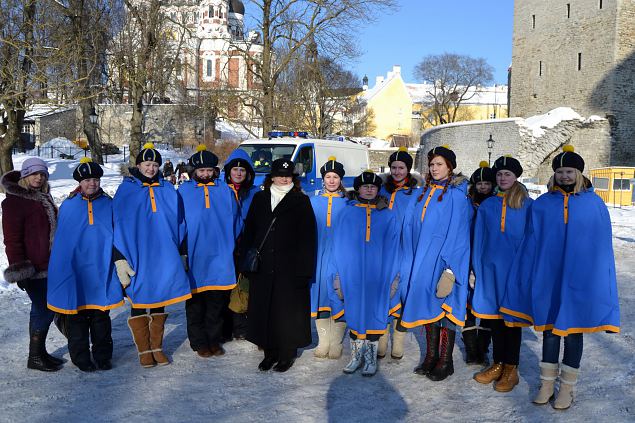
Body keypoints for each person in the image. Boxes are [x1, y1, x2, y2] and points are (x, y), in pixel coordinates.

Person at [501, 145, 620, 410]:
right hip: (549, 278)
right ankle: (546, 384)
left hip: (580, 279)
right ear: (554, 175)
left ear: (579, 173)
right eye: (560, 172)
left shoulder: (593, 203)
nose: (564, 176)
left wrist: (597, 279)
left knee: (573, 332)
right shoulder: (543, 204)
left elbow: (601, 246)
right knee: (550, 333)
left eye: (569, 171)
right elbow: (532, 241)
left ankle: (566, 388)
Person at [113, 143, 192, 368]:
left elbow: (179, 222)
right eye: (147, 164)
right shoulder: (126, 190)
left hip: (164, 254)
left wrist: (181, 253)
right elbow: (117, 225)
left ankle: (157, 347)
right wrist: (119, 257)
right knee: (139, 299)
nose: (151, 168)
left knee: (160, 298)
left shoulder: (167, 190)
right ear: (138, 165)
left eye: (155, 164)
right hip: (138, 254)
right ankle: (143, 350)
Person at [400, 145, 472, 382]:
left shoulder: (457, 196)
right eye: (431, 164)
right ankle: (431, 356)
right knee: (429, 309)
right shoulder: (424, 192)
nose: (434, 168)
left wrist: (451, 271)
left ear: (450, 166)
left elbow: (460, 236)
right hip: (423, 262)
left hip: (444, 264)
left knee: (445, 312)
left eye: (439, 164)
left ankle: (446, 360)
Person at [239, 158, 317, 373]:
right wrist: (245, 260)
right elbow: (250, 231)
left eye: (288, 175)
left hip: (290, 269)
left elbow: (308, 239)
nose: (284, 178)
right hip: (263, 266)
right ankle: (269, 352)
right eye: (279, 174)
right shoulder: (260, 198)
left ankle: (286, 353)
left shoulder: (301, 201)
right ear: (271, 176)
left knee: (287, 313)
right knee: (265, 310)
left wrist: (304, 271)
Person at [47, 158, 124, 371]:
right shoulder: (69, 206)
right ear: (79, 182)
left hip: (101, 270)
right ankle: (80, 357)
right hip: (76, 273)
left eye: (96, 179)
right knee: (76, 318)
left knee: (101, 318)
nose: (92, 183)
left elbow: (117, 235)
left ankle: (102, 356)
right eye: (87, 179)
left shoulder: (108, 204)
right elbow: (62, 244)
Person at [328, 170, 400, 376]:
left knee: (376, 314)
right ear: (358, 188)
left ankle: (370, 359)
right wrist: (338, 275)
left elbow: (394, 247)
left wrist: (393, 275)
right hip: (353, 274)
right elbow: (338, 245)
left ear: (378, 189)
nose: (369, 190)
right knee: (355, 313)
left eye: (373, 187)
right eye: (365, 186)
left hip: (378, 275)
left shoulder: (387, 215)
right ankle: (355, 357)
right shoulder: (347, 213)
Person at [471, 156, 532, 393]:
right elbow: (479, 239)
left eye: (507, 174)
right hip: (491, 271)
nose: (503, 178)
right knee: (495, 321)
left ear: (516, 177)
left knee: (512, 322)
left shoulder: (527, 205)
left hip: (515, 272)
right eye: (499, 174)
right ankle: (497, 363)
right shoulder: (488, 206)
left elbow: (531, 240)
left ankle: (511, 368)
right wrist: (477, 268)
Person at [2, 157, 63, 372]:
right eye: (34, 173)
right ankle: (35, 357)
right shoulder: (14, 202)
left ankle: (39, 353)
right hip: (34, 268)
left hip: (49, 264)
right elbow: (12, 239)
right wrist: (20, 268)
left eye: (42, 174)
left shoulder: (42, 197)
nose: (39, 177)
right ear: (24, 175)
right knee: (43, 310)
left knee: (41, 310)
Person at [179, 145, 239, 357]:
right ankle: (199, 342)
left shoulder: (225, 190)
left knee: (217, 303)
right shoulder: (183, 192)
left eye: (209, 170)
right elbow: (178, 224)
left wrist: (234, 246)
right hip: (195, 256)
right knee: (196, 304)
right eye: (201, 171)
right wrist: (181, 251)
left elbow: (236, 221)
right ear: (193, 172)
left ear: (215, 171)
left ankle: (214, 340)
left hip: (221, 255)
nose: (205, 174)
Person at [377, 146, 421, 360]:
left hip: (406, 250)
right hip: (385, 251)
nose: (396, 172)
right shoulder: (381, 190)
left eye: (401, 168)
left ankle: (399, 339)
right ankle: (382, 338)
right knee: (385, 291)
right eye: (393, 167)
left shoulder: (416, 193)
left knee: (402, 292)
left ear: (408, 169)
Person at [310, 157, 348, 359]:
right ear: (323, 179)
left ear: (340, 179)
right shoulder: (312, 201)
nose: (331, 180)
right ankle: (323, 342)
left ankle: (336, 343)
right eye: (328, 177)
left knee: (339, 297)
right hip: (319, 258)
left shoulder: (349, 203)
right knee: (320, 298)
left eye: (335, 177)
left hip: (341, 259)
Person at [223, 148, 260, 340]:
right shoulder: (221, 192)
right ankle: (226, 326)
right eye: (235, 169)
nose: (238, 173)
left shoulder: (254, 193)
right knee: (225, 287)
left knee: (244, 287)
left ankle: (242, 326)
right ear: (228, 171)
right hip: (224, 246)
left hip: (247, 246)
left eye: (242, 170)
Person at [463, 161, 497, 366]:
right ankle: (471, 349)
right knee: (467, 306)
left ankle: (483, 348)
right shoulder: (467, 204)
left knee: (486, 306)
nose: (483, 187)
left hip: (486, 259)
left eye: (486, 183)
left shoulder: (496, 205)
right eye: (479, 184)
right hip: (467, 258)